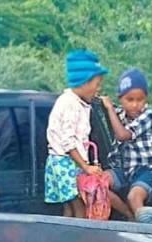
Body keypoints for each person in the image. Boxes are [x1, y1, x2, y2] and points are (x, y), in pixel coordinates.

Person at [45, 49, 108, 217]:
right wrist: (86, 166)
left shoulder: (79, 102)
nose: (98, 89)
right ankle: (79, 241)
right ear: (83, 82)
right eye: (97, 84)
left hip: (66, 163)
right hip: (66, 163)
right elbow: (68, 141)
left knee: (70, 207)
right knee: (80, 206)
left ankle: (65, 240)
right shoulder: (69, 104)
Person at [101, 67, 152, 221]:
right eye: (130, 100)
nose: (135, 105)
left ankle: (146, 233)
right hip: (125, 171)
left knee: (134, 197)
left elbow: (122, 135)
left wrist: (109, 108)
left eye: (140, 99)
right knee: (98, 184)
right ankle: (130, 216)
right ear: (120, 99)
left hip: (148, 170)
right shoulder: (120, 114)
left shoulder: (149, 115)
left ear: (146, 98)